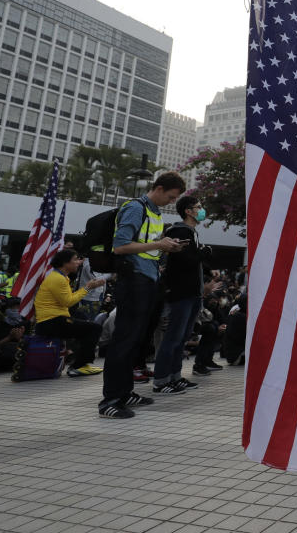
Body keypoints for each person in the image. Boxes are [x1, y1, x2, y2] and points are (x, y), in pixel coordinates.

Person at [99, 171, 187, 419]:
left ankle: (125, 393)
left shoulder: (155, 213)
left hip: (148, 279)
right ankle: (110, 400)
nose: (171, 202)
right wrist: (159, 245)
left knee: (136, 340)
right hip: (133, 280)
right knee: (124, 339)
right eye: (170, 197)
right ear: (158, 188)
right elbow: (120, 245)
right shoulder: (135, 208)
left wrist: (167, 246)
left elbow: (146, 247)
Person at [152, 196, 217, 394]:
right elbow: (184, 260)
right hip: (181, 293)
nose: (201, 210)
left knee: (182, 338)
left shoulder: (190, 231)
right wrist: (204, 252)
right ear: (188, 211)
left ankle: (175, 376)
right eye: (198, 207)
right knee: (173, 337)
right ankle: (161, 380)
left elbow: (190, 261)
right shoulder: (180, 231)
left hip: (192, 293)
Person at [33, 249, 107, 377]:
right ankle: (79, 366)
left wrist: (88, 287)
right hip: (51, 322)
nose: (78, 262)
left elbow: (66, 301)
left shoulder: (61, 277)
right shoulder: (58, 279)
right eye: (75, 259)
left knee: (87, 327)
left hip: (52, 320)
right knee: (94, 328)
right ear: (64, 263)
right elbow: (68, 302)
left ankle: (80, 362)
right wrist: (88, 287)